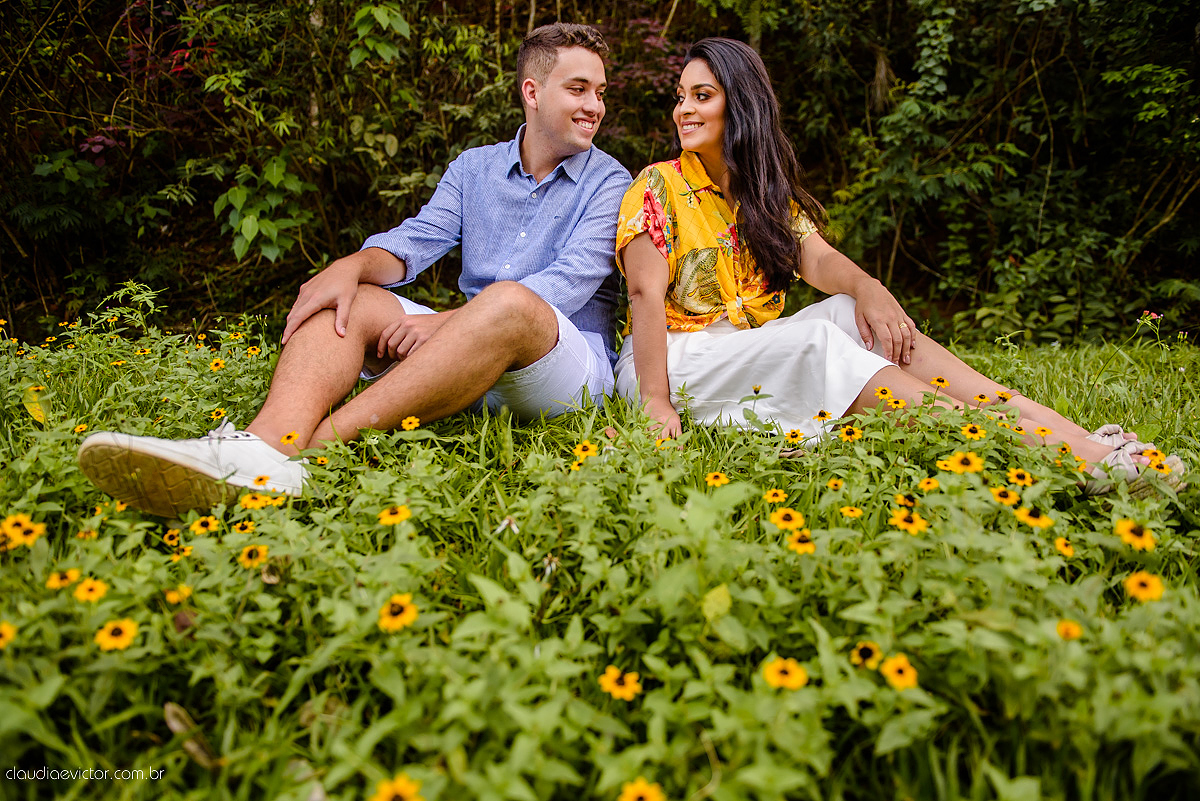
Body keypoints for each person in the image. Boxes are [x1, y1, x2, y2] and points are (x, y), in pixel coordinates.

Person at [77, 23, 630, 518]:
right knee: (354, 298)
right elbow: (416, 240)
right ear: (531, 92)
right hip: (464, 360)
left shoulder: (611, 182)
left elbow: (567, 282)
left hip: (560, 368)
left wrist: (447, 323)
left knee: (510, 301)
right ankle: (267, 443)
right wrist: (352, 264)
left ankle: (310, 452)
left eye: (600, 92)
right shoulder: (474, 168)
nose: (595, 105)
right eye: (578, 88)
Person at [614, 37, 1183, 493]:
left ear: (740, 105)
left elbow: (818, 257)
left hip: (746, 348)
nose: (683, 109)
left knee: (844, 313)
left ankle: (1091, 440)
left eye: (701, 95)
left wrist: (871, 289)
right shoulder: (657, 186)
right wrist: (656, 402)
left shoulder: (762, 194)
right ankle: (1078, 462)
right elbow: (645, 299)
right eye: (681, 95)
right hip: (674, 359)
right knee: (817, 343)